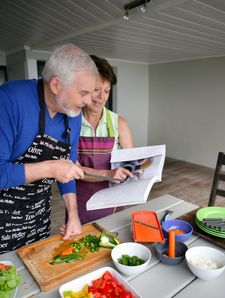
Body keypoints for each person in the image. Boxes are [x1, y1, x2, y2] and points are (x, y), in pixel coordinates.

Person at [0, 43, 98, 254]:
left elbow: (67, 169)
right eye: (84, 93)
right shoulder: (9, 100)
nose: (89, 101)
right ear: (56, 85)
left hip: (38, 216)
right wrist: (50, 168)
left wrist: (73, 214)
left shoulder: (73, 114)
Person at [76, 55, 134, 224]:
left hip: (112, 197)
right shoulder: (70, 122)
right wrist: (107, 174)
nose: (101, 97)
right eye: (96, 89)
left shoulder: (119, 123)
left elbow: (131, 164)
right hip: (80, 198)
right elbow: (73, 169)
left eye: (107, 91)